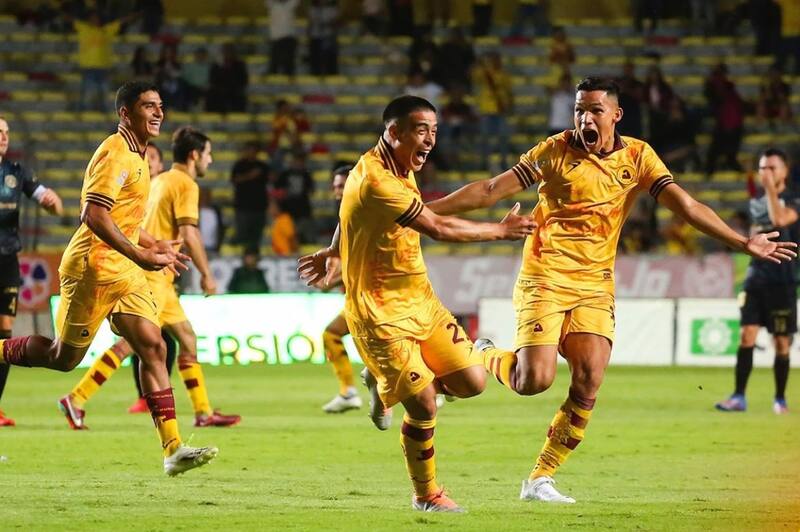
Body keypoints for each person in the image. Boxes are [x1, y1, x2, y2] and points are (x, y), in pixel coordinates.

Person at [421, 77, 796, 503]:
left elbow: (687, 206)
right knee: (533, 381)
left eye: (595, 109)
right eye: (580, 109)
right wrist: (420, 212)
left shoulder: (638, 157)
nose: (585, 117)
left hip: (595, 285)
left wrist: (743, 241)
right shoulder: (554, 151)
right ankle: (483, 352)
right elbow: (489, 190)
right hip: (545, 275)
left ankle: (540, 478)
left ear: (615, 115)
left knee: (589, 379)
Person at [298, 95, 537, 512]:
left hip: (421, 300)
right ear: (393, 133)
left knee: (472, 384)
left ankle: (390, 382)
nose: (430, 140)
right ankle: (426, 495)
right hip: (379, 313)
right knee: (424, 403)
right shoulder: (377, 180)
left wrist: (334, 250)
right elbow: (437, 226)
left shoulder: (389, 166)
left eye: (434, 131)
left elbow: (348, 215)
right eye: (421, 130)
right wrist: (498, 233)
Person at [0, 81, 218, 476]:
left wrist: (154, 246)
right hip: (92, 271)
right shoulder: (115, 152)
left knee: (154, 347)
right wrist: (140, 254)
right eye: (148, 106)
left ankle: (173, 449)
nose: (158, 113)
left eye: (160, 106)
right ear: (125, 113)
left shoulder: (139, 157)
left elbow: (125, 220)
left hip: (124, 272)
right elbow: (94, 215)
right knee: (62, 358)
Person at [59, 126, 241, 429]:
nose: (211, 160)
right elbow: (189, 233)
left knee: (187, 339)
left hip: (158, 275)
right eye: (209, 154)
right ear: (195, 155)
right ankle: (76, 398)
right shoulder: (185, 184)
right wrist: (207, 274)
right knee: (133, 345)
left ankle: (204, 412)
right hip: (153, 275)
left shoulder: (159, 181)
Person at [716, 148, 798, 415]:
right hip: (756, 278)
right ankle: (739, 396)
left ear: (785, 170)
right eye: (763, 168)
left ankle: (780, 399)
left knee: (782, 342)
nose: (766, 173)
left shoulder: (794, 199)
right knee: (746, 335)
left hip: (782, 281)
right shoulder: (756, 203)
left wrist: (770, 191)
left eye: (772, 168)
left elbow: (779, 219)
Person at [0, 116, 63, 427]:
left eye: (6, 132)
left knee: (4, 331)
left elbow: (44, 196)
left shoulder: (15, 172)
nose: (3, 137)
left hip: (7, 259)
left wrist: (51, 203)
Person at [128, 143, 178, 415]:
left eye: (154, 158)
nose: (150, 163)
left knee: (163, 341)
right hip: (143, 270)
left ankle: (153, 397)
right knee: (140, 341)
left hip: (158, 268)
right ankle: (77, 397)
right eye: (146, 158)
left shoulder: (158, 188)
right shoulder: (140, 190)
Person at [315, 165, 363, 414]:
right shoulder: (347, 217)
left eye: (342, 186)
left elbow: (362, 262)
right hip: (360, 297)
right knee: (333, 335)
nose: (337, 191)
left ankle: (430, 384)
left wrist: (330, 281)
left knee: (380, 351)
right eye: (335, 186)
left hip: (373, 297)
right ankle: (348, 392)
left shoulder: (360, 216)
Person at [231, 142, 270, 253]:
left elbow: (270, 182)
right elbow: (235, 180)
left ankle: (253, 256)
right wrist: (250, 176)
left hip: (259, 207)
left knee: (256, 236)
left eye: (254, 151)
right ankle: (243, 256)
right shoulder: (239, 165)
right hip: (243, 207)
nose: (252, 153)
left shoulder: (262, 166)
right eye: (250, 150)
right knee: (242, 234)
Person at [266, 0, 299, 75]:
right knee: (274, 64)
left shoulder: (290, 5)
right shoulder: (272, 5)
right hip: (276, 38)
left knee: (289, 65)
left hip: (289, 38)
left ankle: (289, 78)